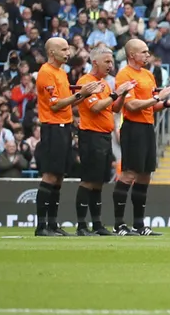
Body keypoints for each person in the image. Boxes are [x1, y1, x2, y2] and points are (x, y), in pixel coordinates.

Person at [116, 37, 170, 235]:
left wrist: (167, 103)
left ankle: (139, 224)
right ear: (132, 55)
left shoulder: (148, 75)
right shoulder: (124, 75)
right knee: (129, 174)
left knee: (145, 175)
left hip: (147, 126)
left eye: (147, 51)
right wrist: (156, 98)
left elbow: (152, 106)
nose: (147, 54)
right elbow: (131, 105)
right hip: (132, 127)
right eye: (143, 52)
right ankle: (119, 224)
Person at [34, 36, 86, 236]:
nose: (68, 53)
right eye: (63, 49)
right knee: (50, 175)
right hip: (52, 127)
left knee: (59, 177)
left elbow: (65, 102)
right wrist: (81, 95)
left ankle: (53, 224)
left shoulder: (61, 73)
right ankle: (41, 226)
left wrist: (81, 96)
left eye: (68, 49)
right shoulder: (46, 73)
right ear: (51, 53)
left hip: (64, 127)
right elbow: (55, 104)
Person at [75, 46, 127, 235]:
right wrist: (115, 94)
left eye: (112, 61)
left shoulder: (104, 84)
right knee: (88, 180)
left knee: (98, 181)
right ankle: (81, 225)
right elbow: (96, 107)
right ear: (95, 62)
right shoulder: (86, 82)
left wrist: (122, 95)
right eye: (107, 61)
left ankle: (97, 224)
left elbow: (113, 108)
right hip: (91, 135)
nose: (110, 65)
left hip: (105, 136)